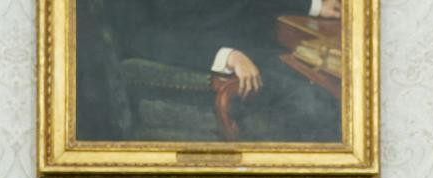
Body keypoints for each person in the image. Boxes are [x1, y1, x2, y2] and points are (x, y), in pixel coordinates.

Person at [100, 0, 342, 142]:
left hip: (258, 52)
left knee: (333, 89)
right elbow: (139, 36)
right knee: (318, 106)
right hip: (201, 67)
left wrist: (314, 4)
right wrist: (225, 55)